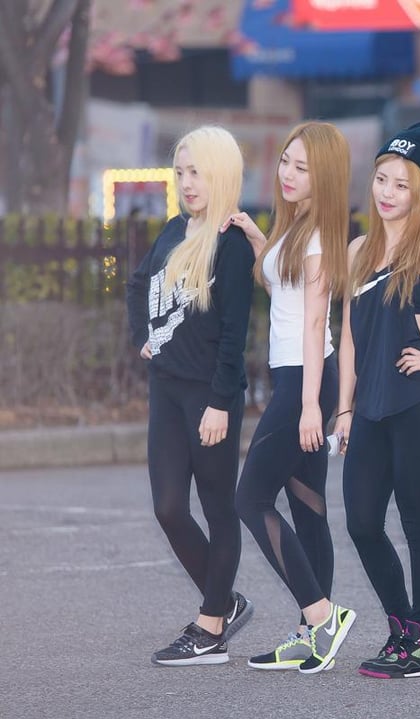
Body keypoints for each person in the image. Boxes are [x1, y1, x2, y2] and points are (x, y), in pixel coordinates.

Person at [224, 121, 355, 674]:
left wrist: (308, 406)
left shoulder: (318, 236)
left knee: (250, 498)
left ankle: (322, 615)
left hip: (306, 378)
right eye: (286, 161)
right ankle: (312, 635)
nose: (288, 173)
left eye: (303, 167)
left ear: (324, 177)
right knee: (308, 506)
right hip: (298, 377)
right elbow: (283, 289)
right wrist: (260, 240)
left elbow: (314, 321)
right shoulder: (296, 226)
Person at [126, 125, 255, 666]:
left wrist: (221, 403)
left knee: (218, 508)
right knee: (169, 508)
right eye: (180, 172)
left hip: (209, 395)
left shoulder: (231, 245)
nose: (186, 183)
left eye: (196, 172)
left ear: (220, 173)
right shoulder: (174, 230)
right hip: (167, 390)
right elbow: (137, 284)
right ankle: (222, 601)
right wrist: (143, 336)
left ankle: (210, 629)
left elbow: (234, 335)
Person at [331, 122, 420, 679]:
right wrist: (344, 408)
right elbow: (349, 337)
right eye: (382, 179)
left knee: (417, 522)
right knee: (361, 521)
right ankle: (405, 629)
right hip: (370, 410)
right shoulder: (359, 250)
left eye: (401, 184)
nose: (387, 192)